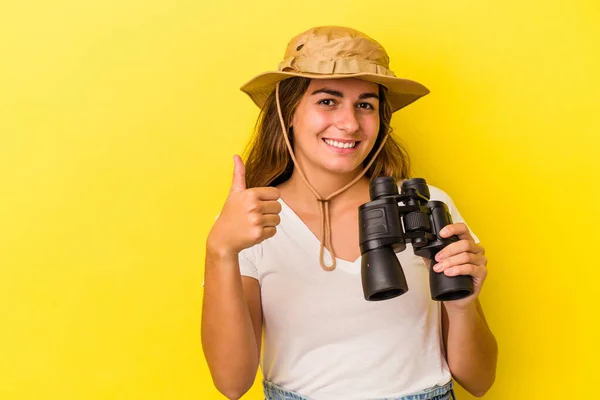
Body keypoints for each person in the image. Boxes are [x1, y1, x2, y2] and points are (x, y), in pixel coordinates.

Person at [201, 26, 498, 400]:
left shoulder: (423, 206)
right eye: (328, 101)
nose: (350, 123)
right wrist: (220, 251)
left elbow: (480, 379)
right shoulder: (251, 220)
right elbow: (231, 384)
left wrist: (462, 308)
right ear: (288, 112)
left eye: (366, 105)